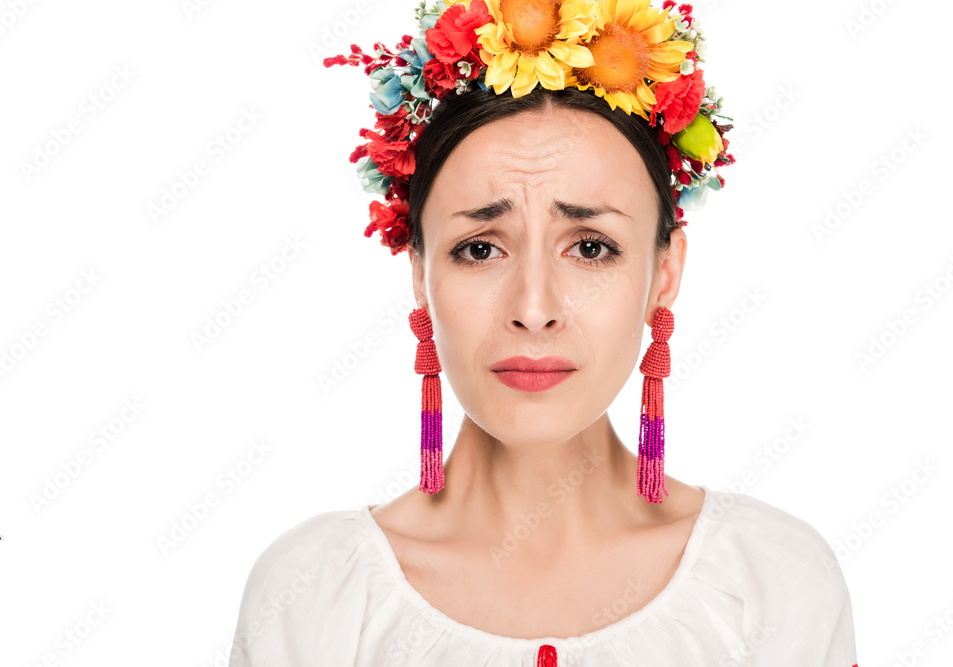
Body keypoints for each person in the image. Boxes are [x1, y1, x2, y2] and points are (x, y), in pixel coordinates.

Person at [228, 1, 859, 665]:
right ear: (419, 272)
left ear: (664, 272)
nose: (534, 308)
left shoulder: (773, 581)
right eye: (479, 248)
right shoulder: (317, 593)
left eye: (590, 247)